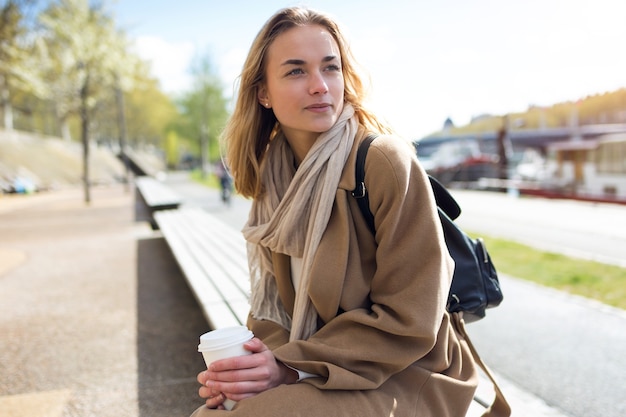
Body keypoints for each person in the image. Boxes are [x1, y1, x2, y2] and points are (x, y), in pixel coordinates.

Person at [191, 6, 478, 417]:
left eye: (330, 68)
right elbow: (272, 312)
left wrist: (289, 368)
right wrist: (254, 368)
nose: (320, 86)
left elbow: (411, 317)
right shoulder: (275, 178)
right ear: (263, 92)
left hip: (410, 375)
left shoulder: (383, 162)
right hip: (318, 370)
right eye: (296, 71)